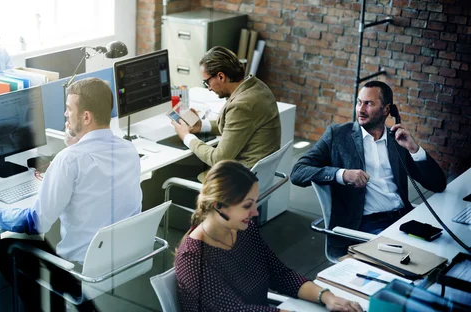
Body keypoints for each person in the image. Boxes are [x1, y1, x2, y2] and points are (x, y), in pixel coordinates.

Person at [0, 77, 142, 311]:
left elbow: (35, 222)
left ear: (86, 117)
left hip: (80, 271)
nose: (66, 115)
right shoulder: (128, 149)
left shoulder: (70, 160)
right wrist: (75, 146)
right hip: (121, 262)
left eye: (69, 109)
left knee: (5, 246)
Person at [175, 160, 362, 312]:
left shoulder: (244, 230)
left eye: (255, 203)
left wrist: (327, 297)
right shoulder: (192, 258)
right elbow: (236, 310)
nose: (255, 212)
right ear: (218, 206)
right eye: (247, 205)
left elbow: (280, 274)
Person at [291, 81, 446, 258]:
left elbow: (438, 184)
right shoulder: (338, 136)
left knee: (443, 254)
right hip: (367, 225)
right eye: (359, 102)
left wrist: (414, 149)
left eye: (369, 104)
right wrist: (342, 174)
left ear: (387, 110)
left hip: (404, 219)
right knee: (413, 262)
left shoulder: (397, 140)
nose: (361, 109)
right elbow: (298, 172)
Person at [171, 46, 281, 181]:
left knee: (174, 173)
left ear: (221, 76)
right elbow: (236, 126)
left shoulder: (241, 105)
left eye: (207, 82)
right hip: (258, 174)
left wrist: (186, 137)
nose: (209, 88)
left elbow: (218, 159)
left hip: (240, 181)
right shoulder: (257, 86)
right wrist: (202, 126)